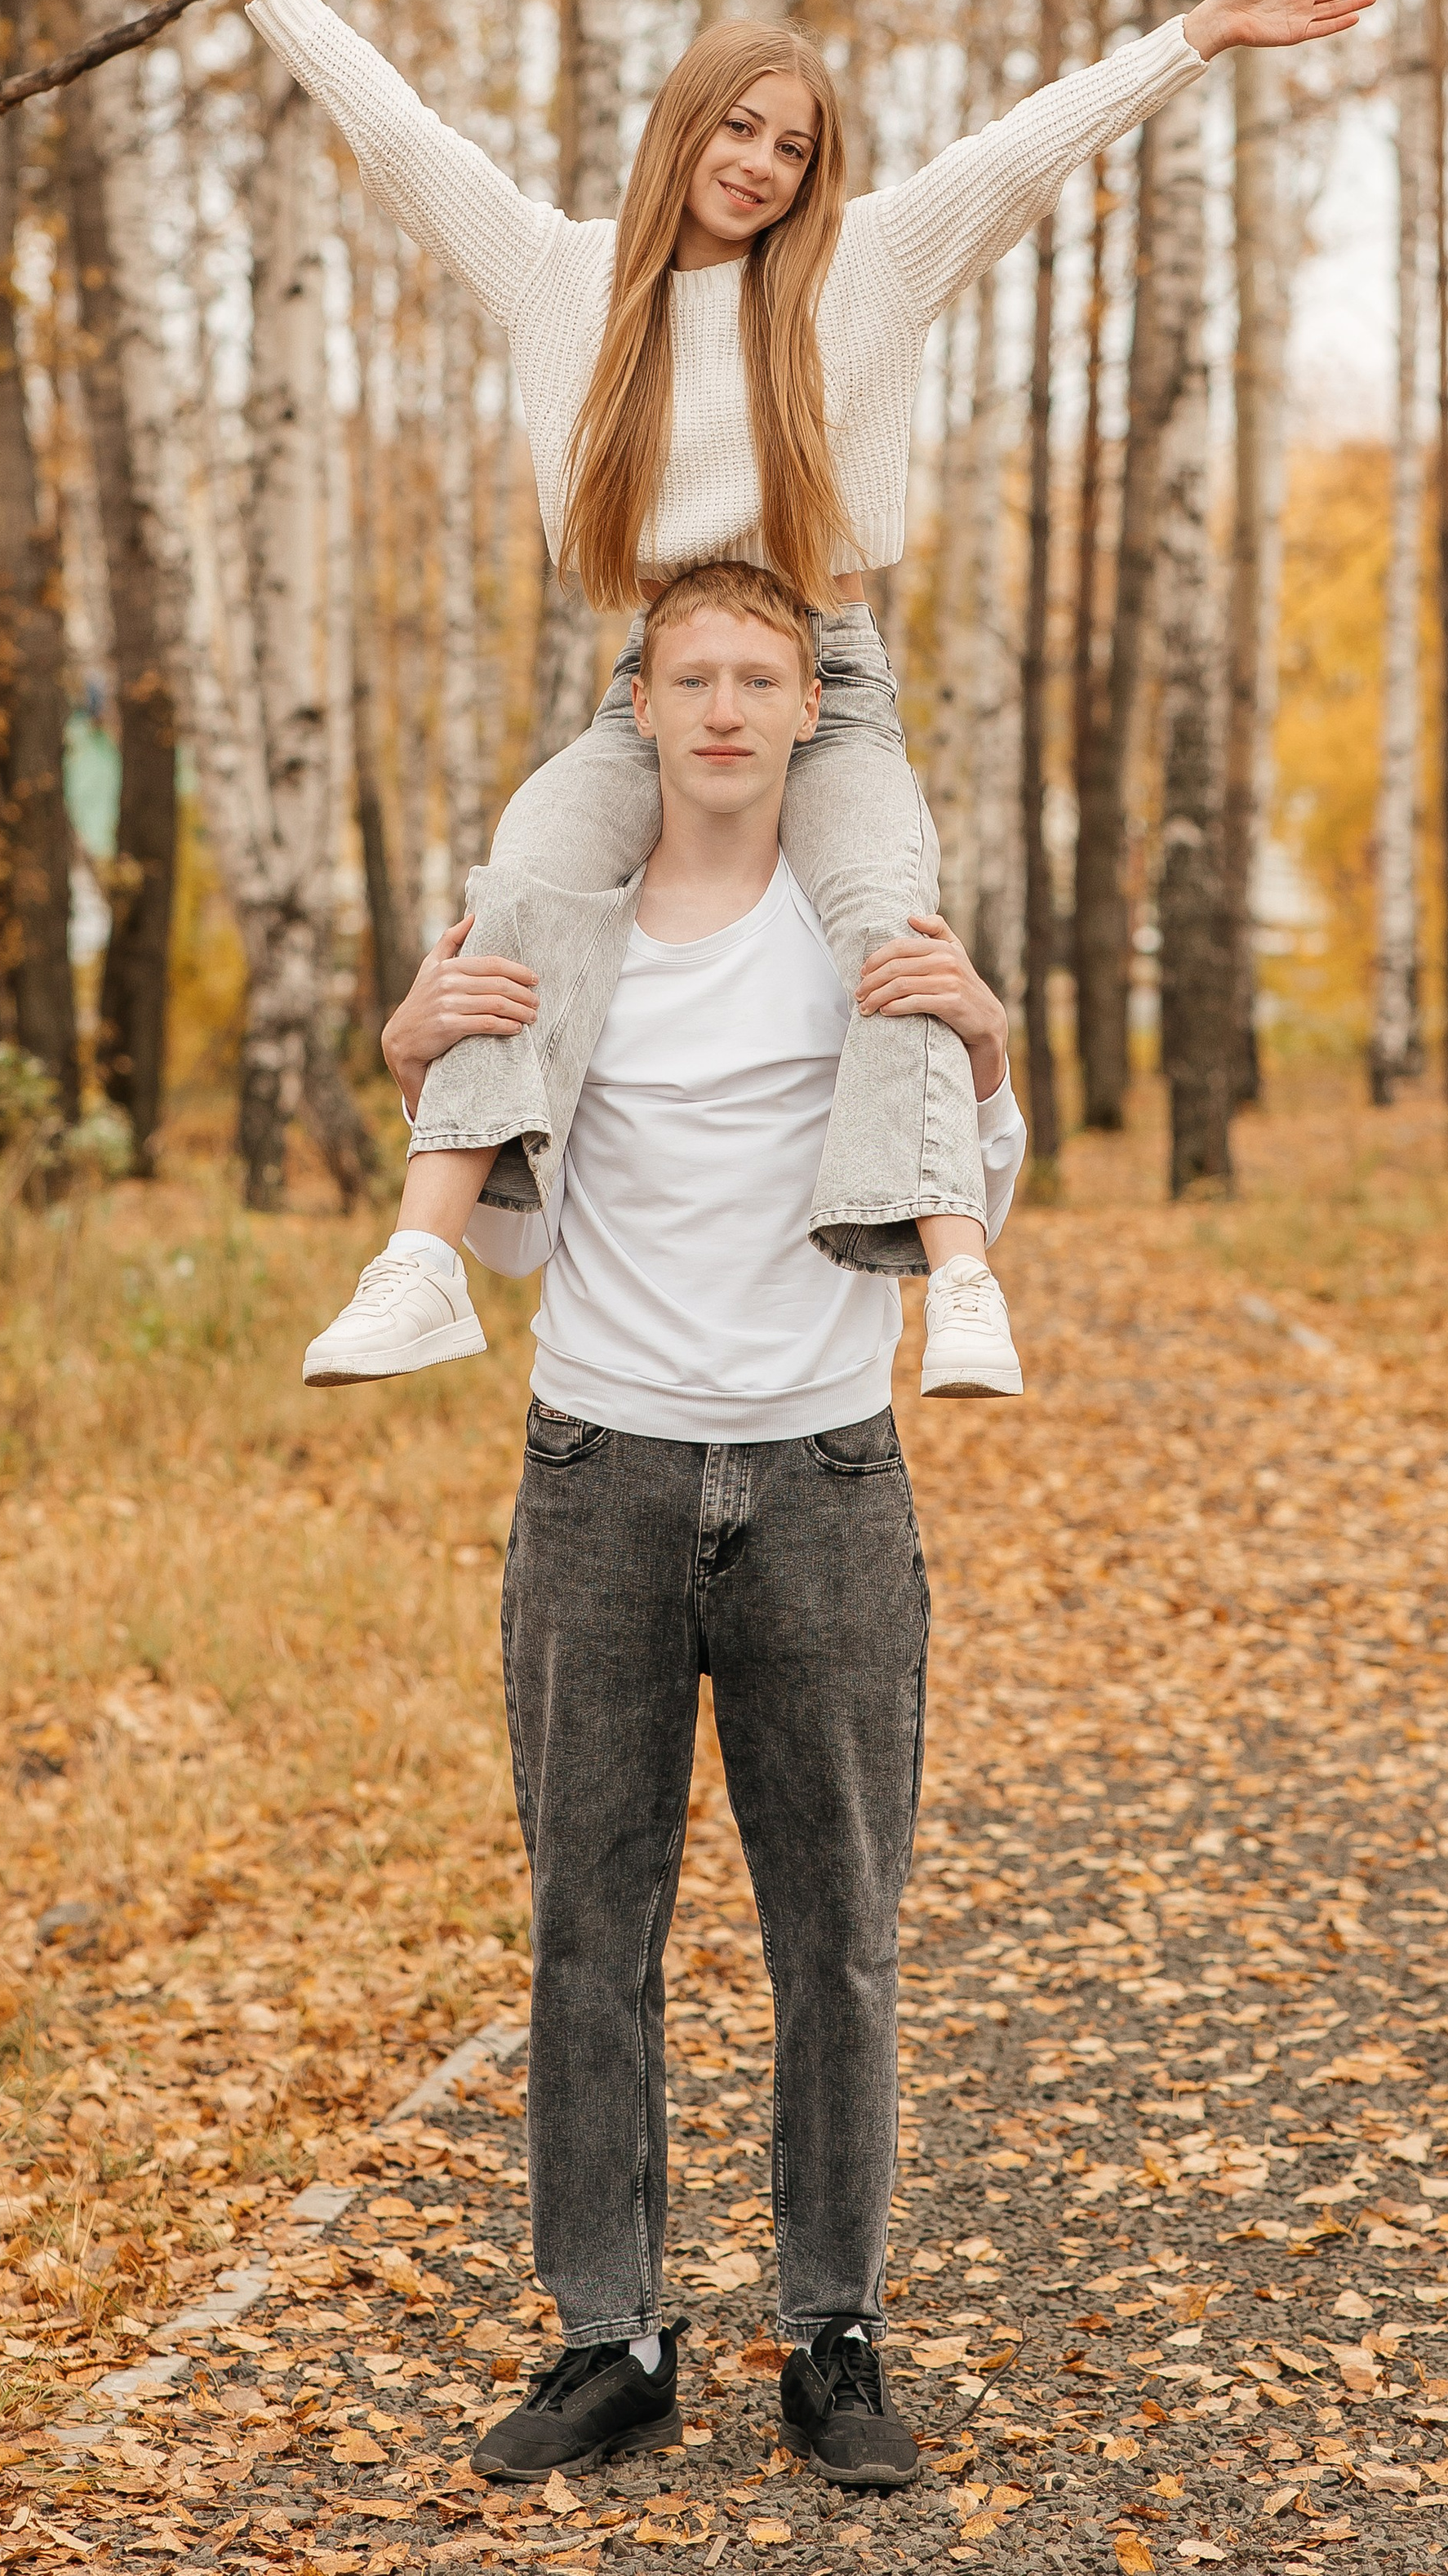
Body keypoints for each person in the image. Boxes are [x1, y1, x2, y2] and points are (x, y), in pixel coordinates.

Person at [83, 0, 1381, 1401]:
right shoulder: (560, 278)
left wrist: (1201, 35)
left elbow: (1028, 148)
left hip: (826, 685)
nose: (760, 166)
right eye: (738, 128)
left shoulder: (863, 274)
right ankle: (429, 1258)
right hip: (655, 679)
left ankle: (956, 1283)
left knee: (888, 926)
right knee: (525, 879)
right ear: (680, 131)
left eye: (792, 146)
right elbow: (400, 140)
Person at [375, 560, 1024, 2490]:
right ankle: (608, 2340)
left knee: (841, 1934)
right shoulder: (555, 923)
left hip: (828, 1477)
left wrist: (986, 1040)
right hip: (601, 1476)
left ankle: (832, 2337)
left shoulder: (859, 920)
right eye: (693, 679)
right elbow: (501, 1218)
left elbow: (954, 1170)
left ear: (804, 711)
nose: (727, 709)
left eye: (760, 677)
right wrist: (414, 1054)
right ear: (639, 707)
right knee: (590, 1927)